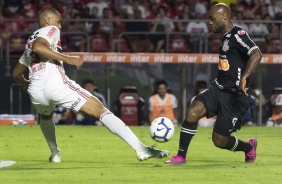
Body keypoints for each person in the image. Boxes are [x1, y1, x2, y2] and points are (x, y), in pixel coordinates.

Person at [12, 7, 169, 163]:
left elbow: (16, 73)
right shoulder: (50, 29)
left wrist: (25, 84)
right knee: (101, 111)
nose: (60, 26)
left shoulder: (29, 41)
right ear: (48, 20)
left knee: (46, 116)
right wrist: (68, 59)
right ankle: (141, 149)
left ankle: (55, 154)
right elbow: (39, 47)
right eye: (58, 22)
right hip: (55, 84)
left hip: (36, 91)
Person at [165, 3, 262, 164]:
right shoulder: (225, 36)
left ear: (224, 16)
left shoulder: (238, 34)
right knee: (193, 111)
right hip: (218, 88)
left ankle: (248, 147)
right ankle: (181, 156)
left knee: (219, 140)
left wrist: (245, 77)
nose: (209, 22)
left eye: (212, 18)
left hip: (235, 96)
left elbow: (256, 54)